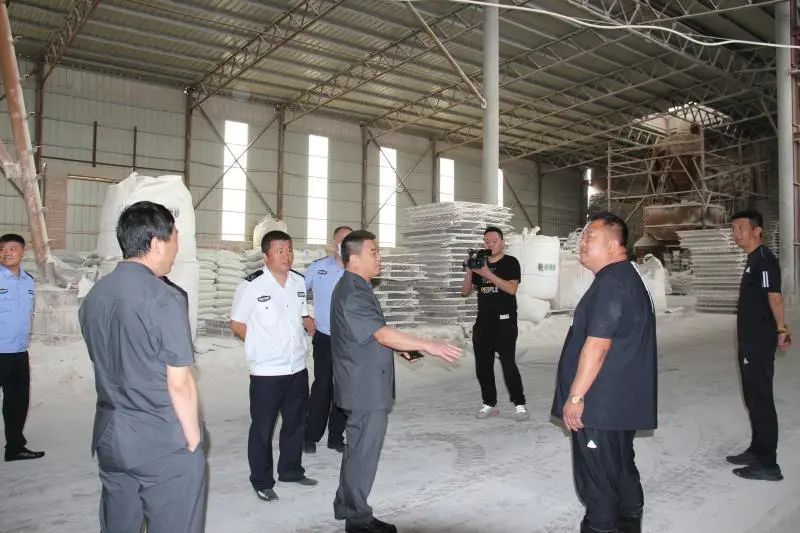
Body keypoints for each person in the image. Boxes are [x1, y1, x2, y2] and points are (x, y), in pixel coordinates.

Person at [79, 201, 206, 533]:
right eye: (175, 239)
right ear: (156, 243)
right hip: (159, 438)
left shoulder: (95, 296)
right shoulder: (164, 298)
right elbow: (180, 382)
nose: (177, 249)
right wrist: (193, 441)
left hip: (111, 434)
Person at [331, 230, 461, 533]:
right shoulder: (353, 292)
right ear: (353, 259)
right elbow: (381, 333)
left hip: (362, 382)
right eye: (373, 252)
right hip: (364, 387)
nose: (380, 257)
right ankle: (358, 520)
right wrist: (429, 344)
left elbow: (369, 333)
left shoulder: (356, 287)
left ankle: (347, 505)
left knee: (358, 449)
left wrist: (400, 348)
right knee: (363, 453)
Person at [551, 212, 657, 533]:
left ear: (613, 245)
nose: (582, 244)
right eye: (583, 237)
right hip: (619, 403)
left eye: (590, 238)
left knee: (597, 483)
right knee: (620, 468)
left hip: (599, 405)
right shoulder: (626, 277)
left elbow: (597, 346)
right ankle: (629, 523)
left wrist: (575, 397)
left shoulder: (611, 284)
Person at [230, 230, 317, 503]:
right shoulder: (251, 286)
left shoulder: (299, 282)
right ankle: (262, 481)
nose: (287, 256)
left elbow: (302, 314)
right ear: (265, 256)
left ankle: (291, 470)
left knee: (295, 423)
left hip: (296, 368)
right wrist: (260, 346)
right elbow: (237, 324)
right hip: (267, 373)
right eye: (280, 251)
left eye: (289, 250)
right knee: (263, 429)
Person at [726, 209, 791, 481]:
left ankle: (768, 464)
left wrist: (782, 329)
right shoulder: (753, 259)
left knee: (761, 399)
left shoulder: (764, 260)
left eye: (741, 228)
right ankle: (757, 450)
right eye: (734, 229)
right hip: (749, 341)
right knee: (753, 398)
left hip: (759, 342)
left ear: (757, 230)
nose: (736, 233)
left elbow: (775, 297)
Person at [461, 226, 528, 420]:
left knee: (508, 364)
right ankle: (489, 403)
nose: (489, 244)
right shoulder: (479, 263)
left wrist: (487, 273)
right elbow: (465, 292)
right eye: (486, 242)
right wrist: (470, 271)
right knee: (483, 366)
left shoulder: (510, 263)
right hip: (483, 322)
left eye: (494, 241)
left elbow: (511, 289)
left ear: (502, 243)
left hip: (505, 322)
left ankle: (519, 404)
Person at [303, 225, 353, 454]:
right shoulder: (319, 268)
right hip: (324, 337)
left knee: (344, 388)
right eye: (340, 239)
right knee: (322, 387)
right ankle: (310, 435)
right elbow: (297, 292)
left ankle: (335, 437)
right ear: (333, 243)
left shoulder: (357, 270)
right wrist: (305, 316)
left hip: (349, 341)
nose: (343, 243)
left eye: (349, 239)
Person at [0, 233, 45, 462]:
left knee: (17, 403)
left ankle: (15, 448)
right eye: (2, 249)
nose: (7, 253)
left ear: (22, 252)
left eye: (12, 248)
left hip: (18, 352)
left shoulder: (28, 281)